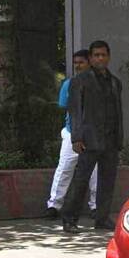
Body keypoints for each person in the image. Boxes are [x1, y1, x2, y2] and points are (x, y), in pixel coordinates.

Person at [62, 40, 122, 233]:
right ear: (91, 58)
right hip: (88, 139)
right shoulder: (80, 81)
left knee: (107, 181)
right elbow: (75, 111)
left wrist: (120, 137)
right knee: (81, 180)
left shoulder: (115, 82)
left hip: (110, 139)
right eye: (96, 55)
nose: (100, 58)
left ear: (108, 56)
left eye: (103, 55)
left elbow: (118, 112)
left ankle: (102, 218)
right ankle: (70, 219)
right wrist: (76, 138)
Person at [45, 50, 98, 219]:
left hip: (94, 135)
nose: (77, 66)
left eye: (81, 62)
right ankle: (54, 205)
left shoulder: (98, 84)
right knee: (65, 168)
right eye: (75, 63)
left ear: (89, 62)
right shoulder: (69, 84)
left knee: (95, 172)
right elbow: (65, 106)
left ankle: (95, 206)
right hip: (71, 133)